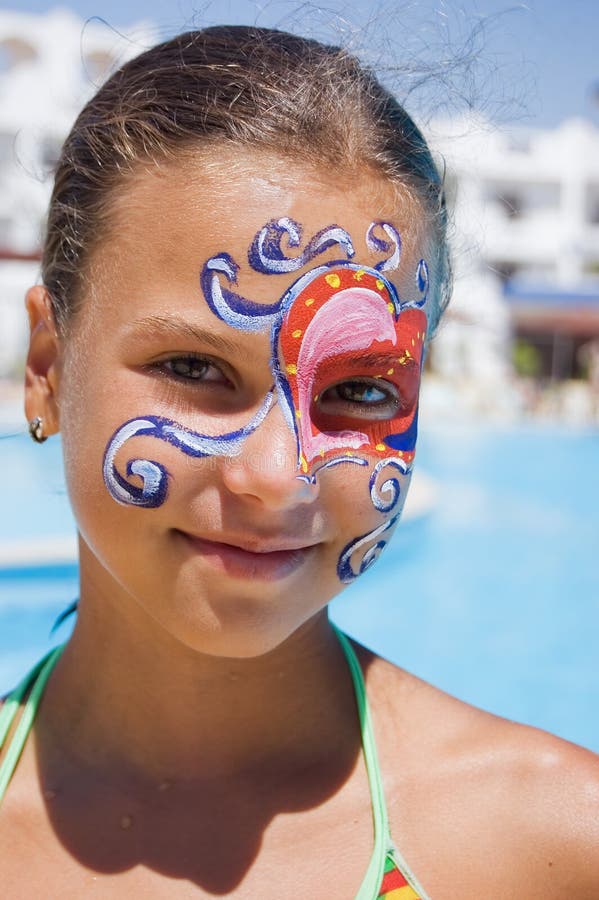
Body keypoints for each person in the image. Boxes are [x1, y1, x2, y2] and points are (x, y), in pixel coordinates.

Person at [0, 25, 598, 899]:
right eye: (195, 370)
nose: (276, 477)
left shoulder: (552, 846)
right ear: (49, 368)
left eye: (359, 392)